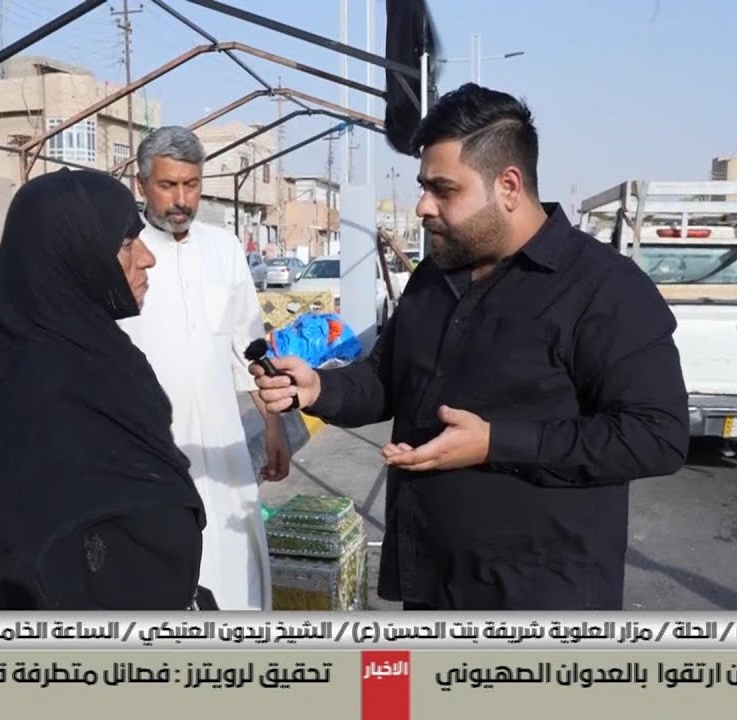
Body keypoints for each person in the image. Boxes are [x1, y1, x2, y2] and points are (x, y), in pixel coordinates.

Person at [252, 84, 690, 611]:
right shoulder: (435, 277)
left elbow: (657, 436)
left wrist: (495, 442)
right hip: (431, 587)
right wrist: (319, 387)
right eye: (422, 186)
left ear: (508, 185)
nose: (421, 206)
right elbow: (387, 381)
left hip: (539, 606)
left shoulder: (604, 289)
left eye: (443, 189)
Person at [0, 168, 207, 610]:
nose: (147, 257)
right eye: (127, 244)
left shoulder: (99, 363)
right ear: (76, 259)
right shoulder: (47, 392)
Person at [118, 126, 288, 611]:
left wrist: (274, 427)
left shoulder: (225, 249)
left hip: (222, 447)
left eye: (191, 185)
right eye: (168, 185)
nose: (181, 199)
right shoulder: (123, 255)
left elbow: (250, 349)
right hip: (149, 450)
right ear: (141, 184)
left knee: (236, 569)